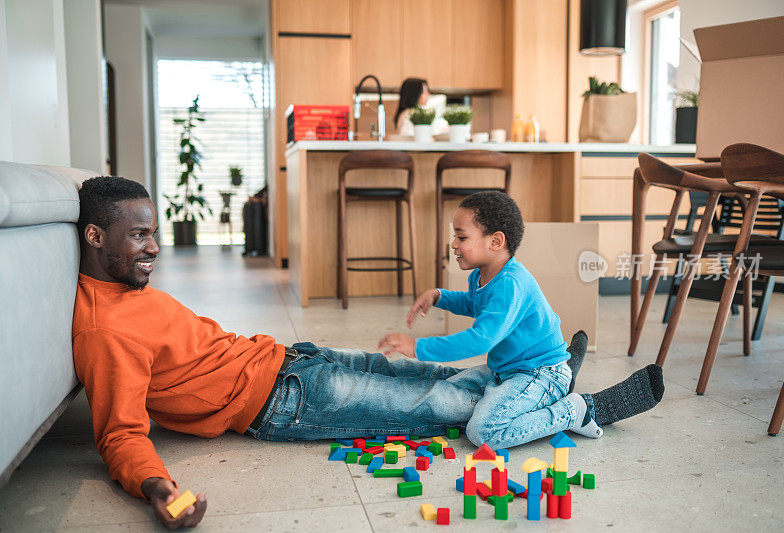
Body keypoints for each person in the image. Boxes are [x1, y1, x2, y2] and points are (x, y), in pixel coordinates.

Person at [73, 177, 663, 528]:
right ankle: (575, 402)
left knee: (420, 371)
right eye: (139, 236)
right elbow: (120, 435)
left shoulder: (131, 286)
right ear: (95, 237)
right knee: (442, 404)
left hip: (286, 360)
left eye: (153, 232)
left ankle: (542, 376)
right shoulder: (108, 331)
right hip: (280, 401)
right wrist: (157, 489)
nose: (153, 246)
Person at [378, 191, 664, 448]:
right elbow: (474, 303)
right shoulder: (482, 274)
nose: (453, 244)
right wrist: (440, 296)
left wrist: (419, 348)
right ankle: (564, 371)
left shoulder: (509, 284)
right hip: (510, 370)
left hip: (540, 373)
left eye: (461, 237)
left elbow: (481, 338)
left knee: (483, 432)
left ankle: (572, 411)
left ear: (496, 241)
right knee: (451, 390)